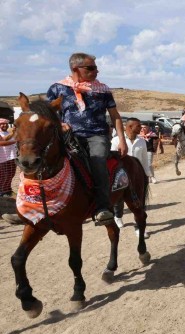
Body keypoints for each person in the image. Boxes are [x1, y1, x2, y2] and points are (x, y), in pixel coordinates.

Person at [46, 52, 128, 225]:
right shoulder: (57, 88)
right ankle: (36, 205)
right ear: (76, 68)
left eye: (96, 68)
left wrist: (122, 139)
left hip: (96, 135)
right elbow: (48, 114)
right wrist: (60, 124)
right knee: (46, 160)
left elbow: (115, 116)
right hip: (68, 136)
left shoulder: (103, 89)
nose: (96, 71)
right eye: (91, 68)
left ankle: (103, 207)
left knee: (98, 162)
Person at [111, 118, 151, 236]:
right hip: (121, 176)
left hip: (137, 176)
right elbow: (113, 161)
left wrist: (146, 175)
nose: (141, 128)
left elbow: (144, 160)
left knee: (139, 202)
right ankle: (118, 216)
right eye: (138, 126)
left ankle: (139, 228)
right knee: (119, 200)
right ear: (129, 127)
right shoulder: (116, 140)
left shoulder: (142, 141)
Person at [0, 119, 17, 197]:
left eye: (6, 124)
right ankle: (3, 191)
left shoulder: (8, 133)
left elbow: (9, 138)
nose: (4, 125)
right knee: (4, 175)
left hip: (12, 157)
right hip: (3, 158)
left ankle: (8, 189)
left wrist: (13, 133)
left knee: (11, 174)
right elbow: (2, 142)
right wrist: (15, 141)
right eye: (2, 124)